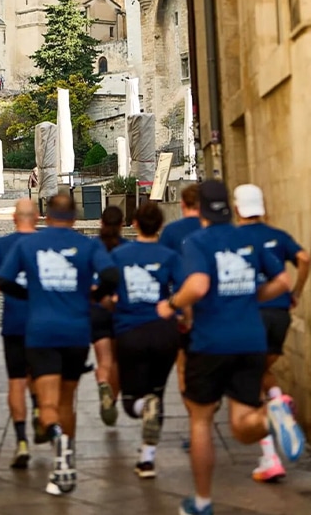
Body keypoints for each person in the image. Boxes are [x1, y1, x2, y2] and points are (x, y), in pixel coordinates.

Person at [158, 180, 304, 515]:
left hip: (211, 342)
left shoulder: (197, 241)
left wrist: (172, 303)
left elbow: (198, 285)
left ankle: (203, 502)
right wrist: (253, 297)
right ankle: (272, 413)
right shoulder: (248, 238)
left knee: (201, 420)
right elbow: (282, 281)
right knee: (242, 425)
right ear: (231, 207)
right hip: (250, 340)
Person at [0, 194, 120, 496]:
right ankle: (68, 456)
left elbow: (4, 281)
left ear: (46, 216)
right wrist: (91, 295)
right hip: (76, 332)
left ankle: (57, 441)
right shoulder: (88, 245)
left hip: (41, 333)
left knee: (47, 402)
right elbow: (111, 275)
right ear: (75, 218)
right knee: (67, 401)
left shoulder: (28, 244)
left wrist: (32, 296)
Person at [232, 183, 310, 483]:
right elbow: (304, 259)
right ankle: (277, 400)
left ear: (238, 208)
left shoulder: (234, 238)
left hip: (249, 314)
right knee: (265, 370)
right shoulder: (277, 236)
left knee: (246, 380)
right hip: (279, 316)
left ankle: (270, 456)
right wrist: (296, 293)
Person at [108, 201, 183, 479]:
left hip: (130, 332)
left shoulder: (119, 255)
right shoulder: (169, 256)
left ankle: (142, 408)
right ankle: (147, 459)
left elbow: (109, 292)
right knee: (157, 393)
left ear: (135, 223)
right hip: (164, 332)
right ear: (160, 226)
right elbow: (185, 289)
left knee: (132, 400)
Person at [0, 198, 40, 469]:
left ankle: (21, 439)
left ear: (13, 218)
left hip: (13, 323)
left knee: (16, 381)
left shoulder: (1, 246)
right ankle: (40, 410)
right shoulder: (45, 245)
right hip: (42, 324)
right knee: (40, 377)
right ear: (36, 217)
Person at [159, 183, 201, 400]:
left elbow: (161, 270)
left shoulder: (171, 232)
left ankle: (194, 410)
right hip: (213, 307)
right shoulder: (211, 230)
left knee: (183, 364)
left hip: (182, 304)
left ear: (183, 204)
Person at [92, 206, 125, 426]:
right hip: (120, 309)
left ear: (101, 223)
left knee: (104, 359)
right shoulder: (126, 249)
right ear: (122, 224)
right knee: (117, 361)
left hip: (97, 308)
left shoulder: (93, 247)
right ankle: (112, 400)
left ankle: (102, 381)